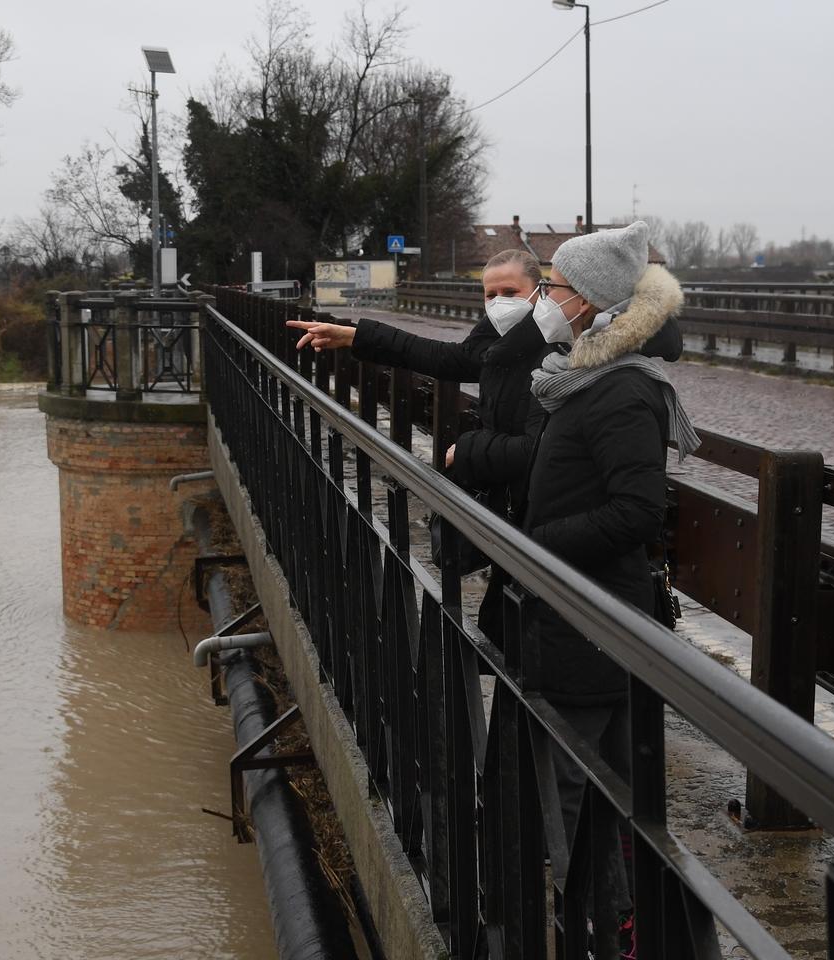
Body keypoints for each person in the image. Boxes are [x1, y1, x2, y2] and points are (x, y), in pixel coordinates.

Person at [286, 249, 682, 644]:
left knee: (540, 659)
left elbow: (548, 453)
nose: (499, 303)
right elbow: (450, 357)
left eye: (514, 290)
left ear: (546, 292)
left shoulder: (566, 356)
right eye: (490, 294)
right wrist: (358, 336)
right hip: (529, 533)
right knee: (517, 650)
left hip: (550, 544)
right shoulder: (512, 337)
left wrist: (471, 452)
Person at [519, 220, 700, 936]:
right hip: (579, 615)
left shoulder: (621, 391)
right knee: (613, 795)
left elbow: (638, 510)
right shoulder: (585, 377)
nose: (544, 297)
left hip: (592, 621)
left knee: (580, 792)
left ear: (590, 302)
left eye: (553, 286)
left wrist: (538, 544)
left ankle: (599, 927)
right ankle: (628, 924)